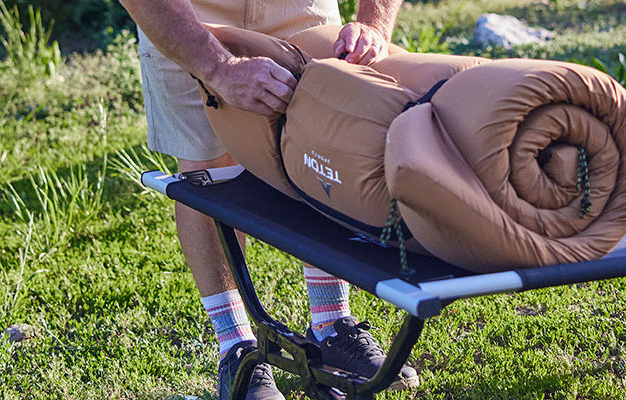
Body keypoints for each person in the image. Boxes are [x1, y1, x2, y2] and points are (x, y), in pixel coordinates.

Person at [114, 0, 416, 398]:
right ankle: (236, 345)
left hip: (300, 8)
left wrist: (372, 25)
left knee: (323, 150)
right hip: (187, 14)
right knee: (207, 174)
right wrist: (218, 69)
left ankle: (331, 324)